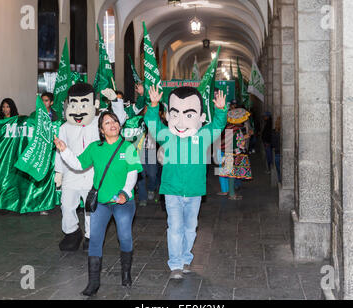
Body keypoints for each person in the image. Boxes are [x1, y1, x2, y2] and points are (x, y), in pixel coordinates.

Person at [54, 111, 143, 296]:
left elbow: (132, 173)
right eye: (108, 123)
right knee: (95, 239)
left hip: (123, 203)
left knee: (124, 237)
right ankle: (93, 283)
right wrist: (64, 150)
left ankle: (125, 273)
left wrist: (125, 193)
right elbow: (78, 165)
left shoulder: (128, 148)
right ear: (101, 130)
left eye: (115, 121)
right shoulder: (95, 147)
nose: (113, 124)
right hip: (101, 203)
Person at [145, 85, 227, 279]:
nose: (181, 122)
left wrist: (221, 110)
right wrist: (154, 105)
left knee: (190, 227)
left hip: (194, 191)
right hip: (172, 190)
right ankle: (175, 265)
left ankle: (185, 259)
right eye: (175, 114)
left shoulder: (202, 136)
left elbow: (217, 125)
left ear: (199, 117)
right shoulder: (167, 136)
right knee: (175, 227)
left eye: (189, 115)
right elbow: (152, 122)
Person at [54, 83, 124, 252]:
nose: (78, 110)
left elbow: (118, 120)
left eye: (84, 104)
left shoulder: (97, 124)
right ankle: (71, 232)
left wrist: (115, 101)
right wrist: (59, 172)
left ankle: (90, 236)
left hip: (92, 173)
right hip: (71, 173)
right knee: (67, 205)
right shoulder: (64, 127)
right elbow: (60, 150)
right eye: (74, 104)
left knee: (90, 207)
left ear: (94, 104)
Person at [121, 83, 159, 207]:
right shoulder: (135, 120)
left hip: (151, 150)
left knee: (153, 174)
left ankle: (152, 189)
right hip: (137, 151)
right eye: (146, 108)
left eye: (149, 108)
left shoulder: (153, 120)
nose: (147, 110)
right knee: (140, 175)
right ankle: (142, 198)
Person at [271, 116, 281, 183]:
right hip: (280, 153)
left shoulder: (274, 132)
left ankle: (280, 181)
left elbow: (273, 144)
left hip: (277, 153)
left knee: (279, 171)